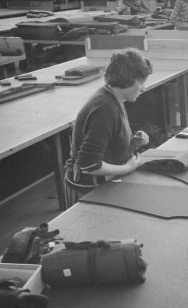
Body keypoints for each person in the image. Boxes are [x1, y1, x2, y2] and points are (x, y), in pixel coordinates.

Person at [64, 49, 152, 207]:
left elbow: (107, 143)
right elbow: (89, 165)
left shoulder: (112, 96)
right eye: (141, 83)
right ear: (129, 80)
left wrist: (132, 144)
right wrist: (127, 168)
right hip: (88, 190)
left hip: (103, 183)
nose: (143, 88)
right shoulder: (105, 109)